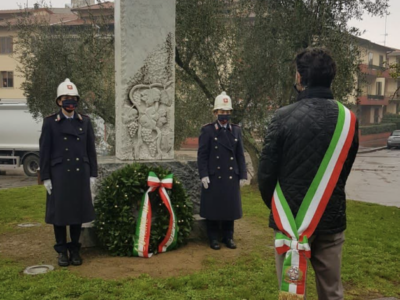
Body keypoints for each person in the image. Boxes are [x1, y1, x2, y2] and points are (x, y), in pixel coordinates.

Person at [258, 48, 359, 300]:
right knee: (332, 292)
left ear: (300, 78)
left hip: (289, 223)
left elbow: (266, 174)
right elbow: (344, 168)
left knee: (290, 293)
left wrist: (279, 209)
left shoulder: (281, 117)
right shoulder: (349, 119)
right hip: (331, 217)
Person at [39, 78, 98, 267]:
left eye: (73, 98)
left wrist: (93, 175)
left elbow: (91, 150)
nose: (70, 102)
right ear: (59, 101)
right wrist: (46, 177)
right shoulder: (50, 123)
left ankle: (74, 249)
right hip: (59, 175)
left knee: (77, 214)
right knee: (60, 215)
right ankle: (61, 250)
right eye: (66, 98)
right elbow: (44, 152)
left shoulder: (85, 122)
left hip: (80, 174)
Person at [197, 91, 247, 250]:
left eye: (227, 112)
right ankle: (213, 238)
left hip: (231, 175)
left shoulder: (236, 130)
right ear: (215, 112)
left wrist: (243, 174)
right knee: (213, 208)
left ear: (230, 113)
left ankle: (228, 237)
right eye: (221, 112)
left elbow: (240, 154)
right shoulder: (208, 131)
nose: (224, 115)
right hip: (213, 176)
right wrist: (203, 174)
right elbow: (202, 155)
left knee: (229, 208)